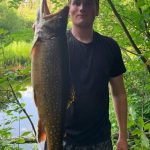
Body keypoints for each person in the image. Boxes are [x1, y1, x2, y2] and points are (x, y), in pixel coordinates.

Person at [63, 0, 128, 150]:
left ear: (97, 10)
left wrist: (123, 137)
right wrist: (41, 39)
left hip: (100, 140)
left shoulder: (110, 46)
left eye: (88, 3)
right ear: (68, 9)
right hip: (61, 139)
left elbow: (119, 94)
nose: (82, 8)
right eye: (76, 3)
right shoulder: (57, 45)